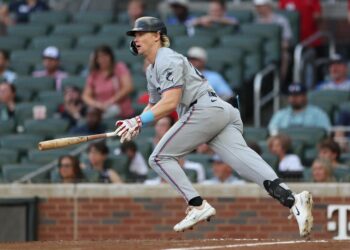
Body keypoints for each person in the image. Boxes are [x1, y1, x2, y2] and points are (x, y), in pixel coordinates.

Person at [115, 16, 313, 237]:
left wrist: (139, 120)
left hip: (203, 110)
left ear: (157, 36)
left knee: (159, 158)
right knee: (244, 163)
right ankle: (293, 199)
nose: (136, 38)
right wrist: (137, 123)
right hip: (217, 111)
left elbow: (170, 102)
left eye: (141, 33)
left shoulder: (166, 59)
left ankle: (197, 204)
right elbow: (154, 104)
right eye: (135, 35)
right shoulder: (152, 69)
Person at [82, 45, 134, 119]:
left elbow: (128, 87)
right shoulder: (94, 74)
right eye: (100, 57)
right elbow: (86, 96)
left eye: (105, 56)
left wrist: (111, 101)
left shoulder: (119, 67)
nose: (103, 59)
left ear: (110, 56)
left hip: (122, 112)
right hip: (102, 113)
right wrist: (97, 105)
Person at [254, 0, 293, 83]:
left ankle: (280, 84)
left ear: (268, 6)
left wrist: (275, 48)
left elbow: (287, 41)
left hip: (278, 51)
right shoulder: (255, 21)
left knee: (284, 55)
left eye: (260, 6)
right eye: (257, 7)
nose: (258, 9)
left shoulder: (281, 20)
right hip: (259, 51)